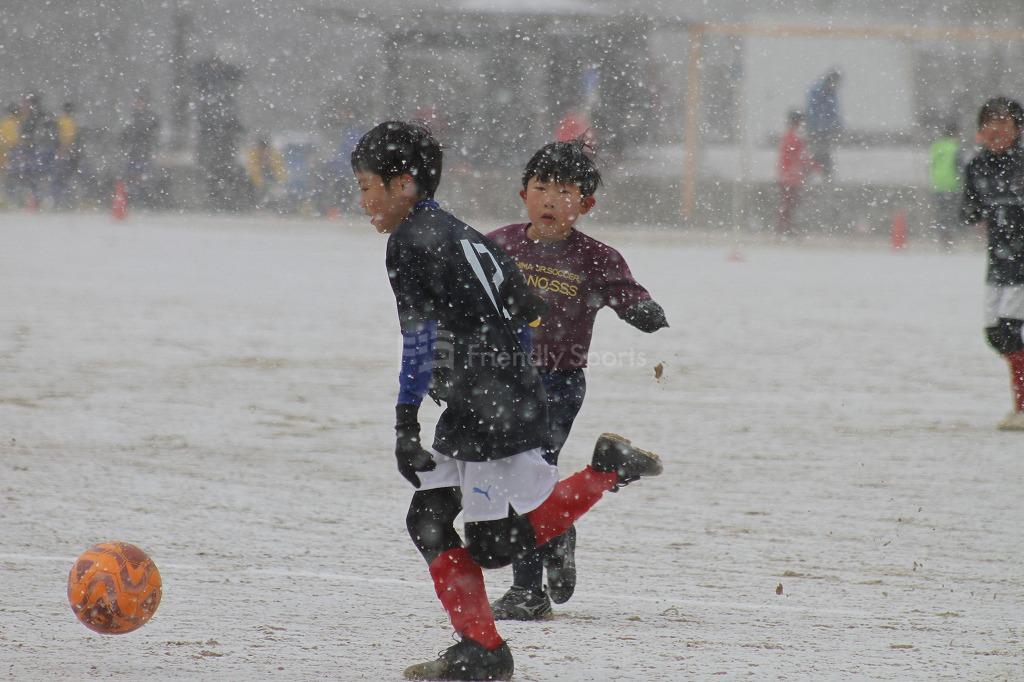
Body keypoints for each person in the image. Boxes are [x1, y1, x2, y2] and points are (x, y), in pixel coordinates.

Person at [352, 120, 664, 680]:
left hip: (495, 400)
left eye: (366, 186)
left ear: (402, 185)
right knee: (429, 518)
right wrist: (496, 373)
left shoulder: (412, 242)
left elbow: (418, 340)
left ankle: (603, 473)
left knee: (491, 545)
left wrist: (406, 422)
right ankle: (483, 647)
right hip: (497, 393)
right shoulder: (471, 234)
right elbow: (525, 311)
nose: (362, 201)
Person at [468, 138, 668, 621]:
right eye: (541, 188)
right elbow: (464, 301)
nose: (551, 200)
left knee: (527, 478)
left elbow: (627, 293)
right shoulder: (498, 245)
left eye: (564, 192)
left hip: (557, 384)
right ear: (524, 195)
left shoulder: (595, 258)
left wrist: (641, 310)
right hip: (500, 381)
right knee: (511, 480)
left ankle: (527, 591)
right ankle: (558, 525)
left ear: (586, 204)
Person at [961, 97, 1024, 431]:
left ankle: (1022, 407)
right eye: (989, 123)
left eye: (1004, 123)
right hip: (998, 262)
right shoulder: (977, 166)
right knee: (996, 333)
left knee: (1012, 329)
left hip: (1022, 263)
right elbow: (969, 212)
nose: (996, 130)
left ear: (1018, 129)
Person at [776, 110, 819, 237]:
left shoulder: (788, 137)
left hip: (787, 175)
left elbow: (793, 157)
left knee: (788, 204)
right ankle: (785, 229)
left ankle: (784, 228)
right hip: (791, 177)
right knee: (790, 204)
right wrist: (815, 167)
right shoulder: (795, 138)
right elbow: (802, 156)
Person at [929, 121, 964, 248]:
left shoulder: (937, 146)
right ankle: (950, 238)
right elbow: (959, 166)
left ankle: (943, 237)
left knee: (942, 212)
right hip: (952, 184)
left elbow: (933, 164)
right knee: (952, 213)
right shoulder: (955, 147)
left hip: (938, 184)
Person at [804, 69, 843, 180]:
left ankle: (824, 176)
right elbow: (812, 111)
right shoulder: (817, 91)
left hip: (825, 130)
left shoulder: (832, 92)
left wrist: (837, 126)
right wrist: (817, 128)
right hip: (816, 130)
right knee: (818, 153)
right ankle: (815, 175)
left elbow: (834, 112)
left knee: (823, 153)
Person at [53, 101, 82, 209]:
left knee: (61, 178)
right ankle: (67, 202)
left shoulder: (62, 121)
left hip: (65, 152)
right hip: (69, 152)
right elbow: (70, 138)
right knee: (67, 178)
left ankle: (62, 202)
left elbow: (64, 137)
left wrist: (62, 149)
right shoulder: (72, 121)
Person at [244, 135, 285, 208]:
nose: (263, 151)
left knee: (274, 191)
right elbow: (252, 169)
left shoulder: (273, 154)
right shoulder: (254, 154)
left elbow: (279, 168)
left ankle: (271, 204)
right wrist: (259, 182)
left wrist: (279, 180)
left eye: (265, 148)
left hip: (270, 177)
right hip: (256, 180)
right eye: (262, 148)